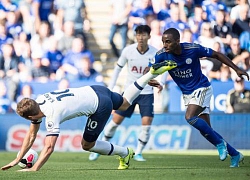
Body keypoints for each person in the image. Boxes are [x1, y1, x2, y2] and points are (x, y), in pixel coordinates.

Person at [0, 62, 176, 171]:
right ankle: (149, 74)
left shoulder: (51, 113)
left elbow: (48, 148)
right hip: (95, 88)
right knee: (124, 103)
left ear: (31, 116)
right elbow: (32, 134)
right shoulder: (38, 101)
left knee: (86, 145)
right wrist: (17, 159)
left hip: (99, 105)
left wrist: (34, 169)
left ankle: (125, 153)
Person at [148, 28, 248, 168]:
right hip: (188, 94)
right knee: (206, 130)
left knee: (189, 117)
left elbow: (217, 55)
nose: (165, 45)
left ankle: (221, 144)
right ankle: (235, 154)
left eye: (168, 42)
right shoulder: (162, 55)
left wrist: (236, 69)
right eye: (163, 42)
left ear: (178, 41)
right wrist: (149, 79)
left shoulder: (192, 49)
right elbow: (149, 69)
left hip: (202, 88)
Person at [89, 25, 160, 162]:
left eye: (143, 35)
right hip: (130, 92)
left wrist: (159, 84)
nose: (140, 37)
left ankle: (138, 152)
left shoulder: (155, 53)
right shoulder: (128, 51)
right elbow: (117, 69)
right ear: (135, 36)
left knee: (147, 123)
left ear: (149, 36)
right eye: (138, 34)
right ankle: (99, 148)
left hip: (146, 93)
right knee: (115, 121)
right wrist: (111, 88)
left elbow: (161, 70)